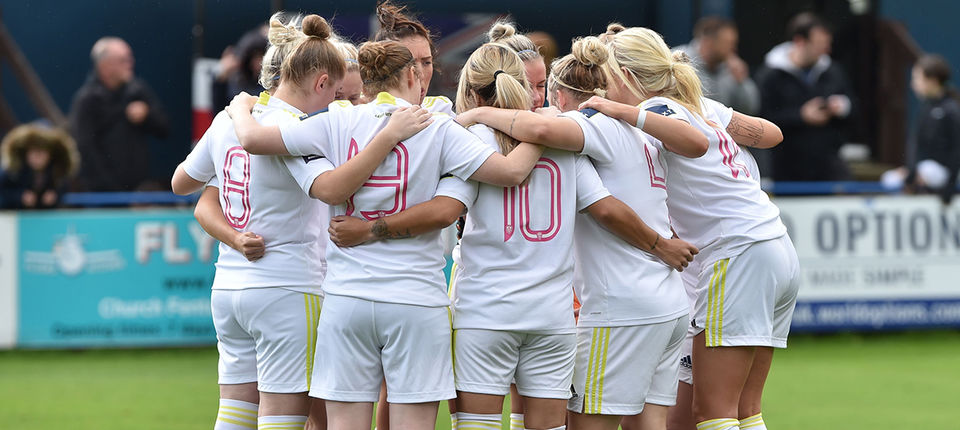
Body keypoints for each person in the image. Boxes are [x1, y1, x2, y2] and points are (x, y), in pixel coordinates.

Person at [226, 38, 548, 430]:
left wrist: (241, 107)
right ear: (412, 74)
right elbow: (511, 172)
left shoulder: (335, 121)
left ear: (364, 81)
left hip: (348, 299)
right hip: (415, 300)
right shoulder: (437, 127)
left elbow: (253, 141)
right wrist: (545, 129)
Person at [171, 14, 433, 430]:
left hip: (229, 288)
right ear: (322, 83)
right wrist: (387, 138)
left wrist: (235, 117)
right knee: (286, 418)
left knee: (235, 414)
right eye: (337, 95)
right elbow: (330, 189)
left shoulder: (229, 119)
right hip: (288, 287)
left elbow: (182, 182)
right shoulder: (294, 128)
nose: (337, 107)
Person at [456, 36, 706, 430]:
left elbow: (544, 136)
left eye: (546, 89)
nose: (541, 99)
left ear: (560, 93)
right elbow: (698, 143)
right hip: (662, 303)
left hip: (617, 305)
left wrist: (476, 116)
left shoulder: (583, 126)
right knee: (648, 423)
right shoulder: (641, 126)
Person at [581, 25, 797, 430]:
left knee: (713, 413)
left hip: (736, 255)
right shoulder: (701, 107)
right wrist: (722, 125)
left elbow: (692, 142)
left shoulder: (662, 111)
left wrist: (624, 110)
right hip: (773, 248)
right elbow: (771, 134)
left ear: (626, 76)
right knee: (744, 410)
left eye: (605, 80)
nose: (601, 92)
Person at [755, 12, 854, 182]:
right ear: (800, 41)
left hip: (826, 168)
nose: (826, 51)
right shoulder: (769, 75)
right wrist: (801, 116)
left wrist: (842, 107)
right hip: (784, 170)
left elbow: (853, 107)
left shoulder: (833, 71)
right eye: (819, 45)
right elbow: (761, 119)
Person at [68, 36, 169, 191]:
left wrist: (147, 115)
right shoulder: (86, 100)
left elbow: (164, 128)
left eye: (130, 58)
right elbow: (84, 147)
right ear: (105, 66)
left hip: (137, 192)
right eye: (124, 60)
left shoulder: (138, 90)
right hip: (101, 195)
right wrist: (110, 187)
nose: (131, 64)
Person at [880, 54, 960, 204]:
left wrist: (950, 186)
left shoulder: (951, 109)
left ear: (933, 81)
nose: (913, 84)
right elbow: (915, 144)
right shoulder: (925, 108)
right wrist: (910, 173)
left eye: (917, 78)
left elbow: (957, 149)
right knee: (889, 179)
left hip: (945, 172)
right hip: (921, 170)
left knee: (926, 168)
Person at [676, 17, 759, 116]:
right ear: (708, 41)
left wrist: (742, 82)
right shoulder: (678, 62)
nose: (733, 49)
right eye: (728, 43)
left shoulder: (731, 69)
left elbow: (750, 110)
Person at [0, 124, 79, 209]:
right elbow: (3, 191)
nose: (37, 158)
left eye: (42, 153)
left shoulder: (57, 171)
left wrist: (55, 195)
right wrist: (19, 196)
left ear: (50, 155)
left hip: (46, 217)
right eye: (33, 152)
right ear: (26, 153)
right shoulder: (13, 170)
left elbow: (63, 189)